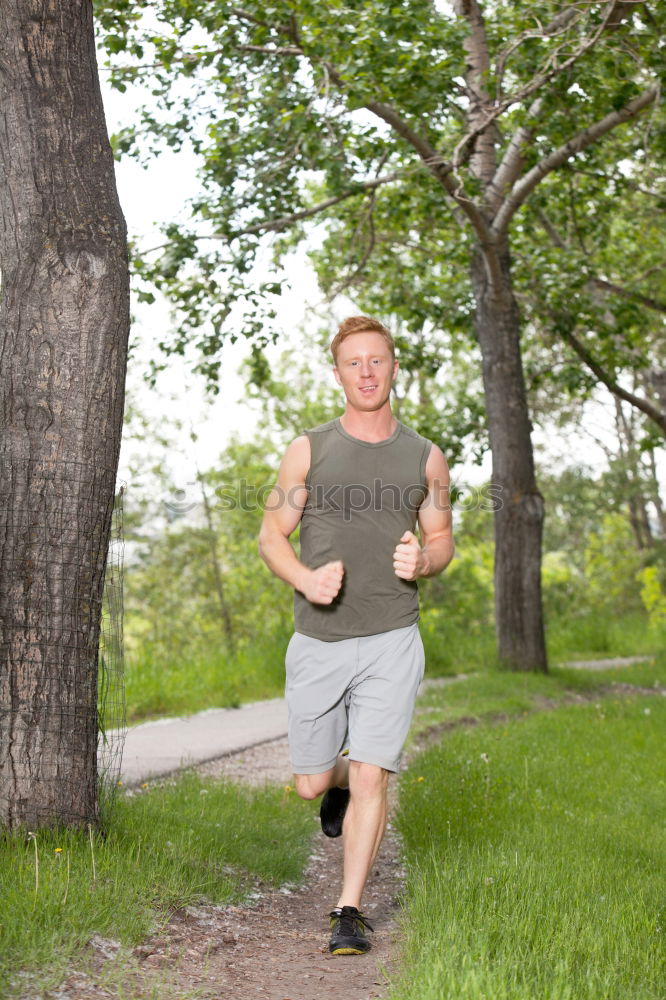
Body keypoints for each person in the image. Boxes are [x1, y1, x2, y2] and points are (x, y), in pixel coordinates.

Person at [258, 315, 454, 955]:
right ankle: (332, 783)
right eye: (354, 362)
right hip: (320, 638)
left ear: (395, 367)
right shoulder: (308, 449)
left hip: (394, 634)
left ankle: (348, 911)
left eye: (378, 360)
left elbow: (443, 537)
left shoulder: (426, 457)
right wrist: (306, 580)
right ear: (338, 373)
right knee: (314, 782)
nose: (367, 372)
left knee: (375, 772)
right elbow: (270, 536)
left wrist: (425, 561)